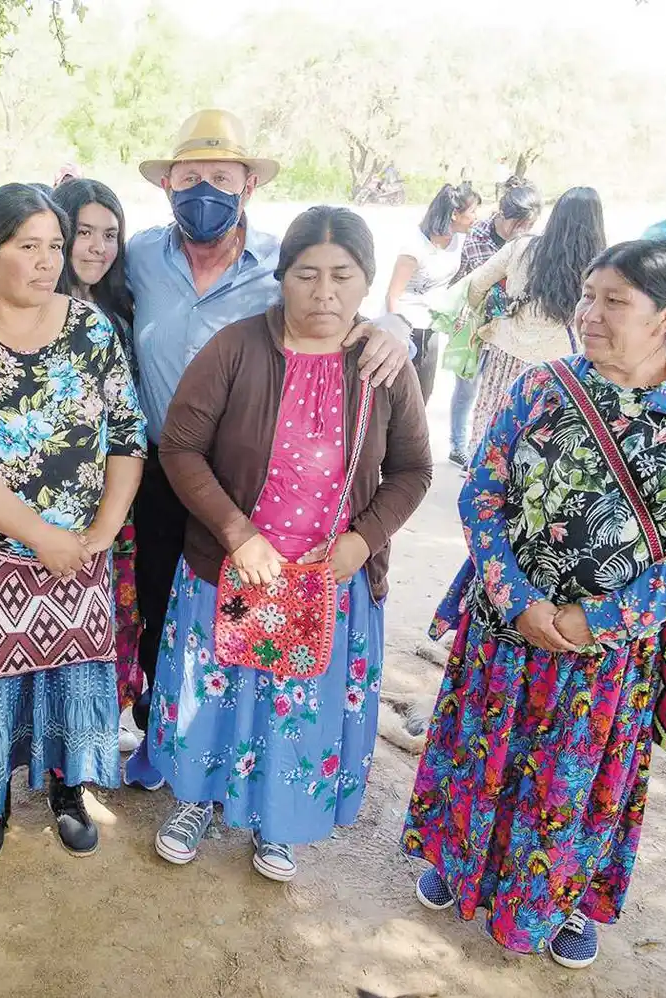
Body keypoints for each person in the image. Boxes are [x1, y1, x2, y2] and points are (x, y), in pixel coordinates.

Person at [404, 239, 666, 969]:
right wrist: (517, 597)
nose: (589, 313)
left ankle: (563, 901)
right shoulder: (543, 387)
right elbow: (481, 491)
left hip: (609, 653)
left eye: (613, 301)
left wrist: (601, 620)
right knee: (486, 750)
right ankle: (464, 868)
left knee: (576, 777)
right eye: (588, 295)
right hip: (507, 626)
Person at [120, 109, 410, 786]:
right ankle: (162, 741)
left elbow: (338, 304)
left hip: (241, 481)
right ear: (168, 186)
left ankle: (243, 765)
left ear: (248, 184)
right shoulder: (140, 257)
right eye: (190, 178)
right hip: (162, 468)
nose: (204, 191)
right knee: (165, 610)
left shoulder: (282, 265)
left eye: (221, 177)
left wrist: (393, 326)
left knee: (249, 616)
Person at [142, 206, 431, 877]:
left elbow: (414, 469)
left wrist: (364, 540)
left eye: (342, 275)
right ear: (283, 278)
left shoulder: (384, 367)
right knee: (218, 694)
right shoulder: (237, 348)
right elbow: (181, 447)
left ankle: (279, 817)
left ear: (366, 283)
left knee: (294, 702)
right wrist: (237, 533)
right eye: (307, 275)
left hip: (327, 579)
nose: (323, 292)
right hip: (234, 571)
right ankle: (196, 799)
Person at [0, 183, 147, 860]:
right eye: (28, 247)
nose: (48, 262)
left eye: (55, 246)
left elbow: (128, 436)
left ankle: (69, 790)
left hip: (75, 553)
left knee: (70, 673)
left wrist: (101, 531)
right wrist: (41, 536)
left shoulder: (91, 330)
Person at [52, 177, 143, 748]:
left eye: (109, 235)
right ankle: (54, 737)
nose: (96, 247)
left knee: (109, 608)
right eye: (83, 232)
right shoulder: (34, 307)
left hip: (118, 491)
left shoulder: (121, 306)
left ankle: (95, 729)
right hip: (53, 498)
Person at [465, 187, 607, 452]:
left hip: (506, 356)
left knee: (493, 435)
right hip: (560, 366)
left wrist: (485, 312)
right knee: (540, 445)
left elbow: (476, 285)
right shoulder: (601, 265)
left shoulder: (521, 248)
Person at [445, 182, 544, 469]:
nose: (525, 228)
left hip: (503, 325)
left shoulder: (527, 243)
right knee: (467, 387)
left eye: (531, 223)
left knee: (491, 393)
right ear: (504, 215)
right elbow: (486, 286)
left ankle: (480, 451)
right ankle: (458, 445)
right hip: (473, 321)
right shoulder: (479, 235)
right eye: (521, 222)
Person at [385, 181, 481, 403]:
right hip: (407, 328)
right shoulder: (414, 248)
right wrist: (397, 334)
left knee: (423, 393)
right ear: (455, 214)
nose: (476, 217)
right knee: (399, 394)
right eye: (473, 211)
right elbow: (392, 295)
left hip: (431, 326)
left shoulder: (459, 239)